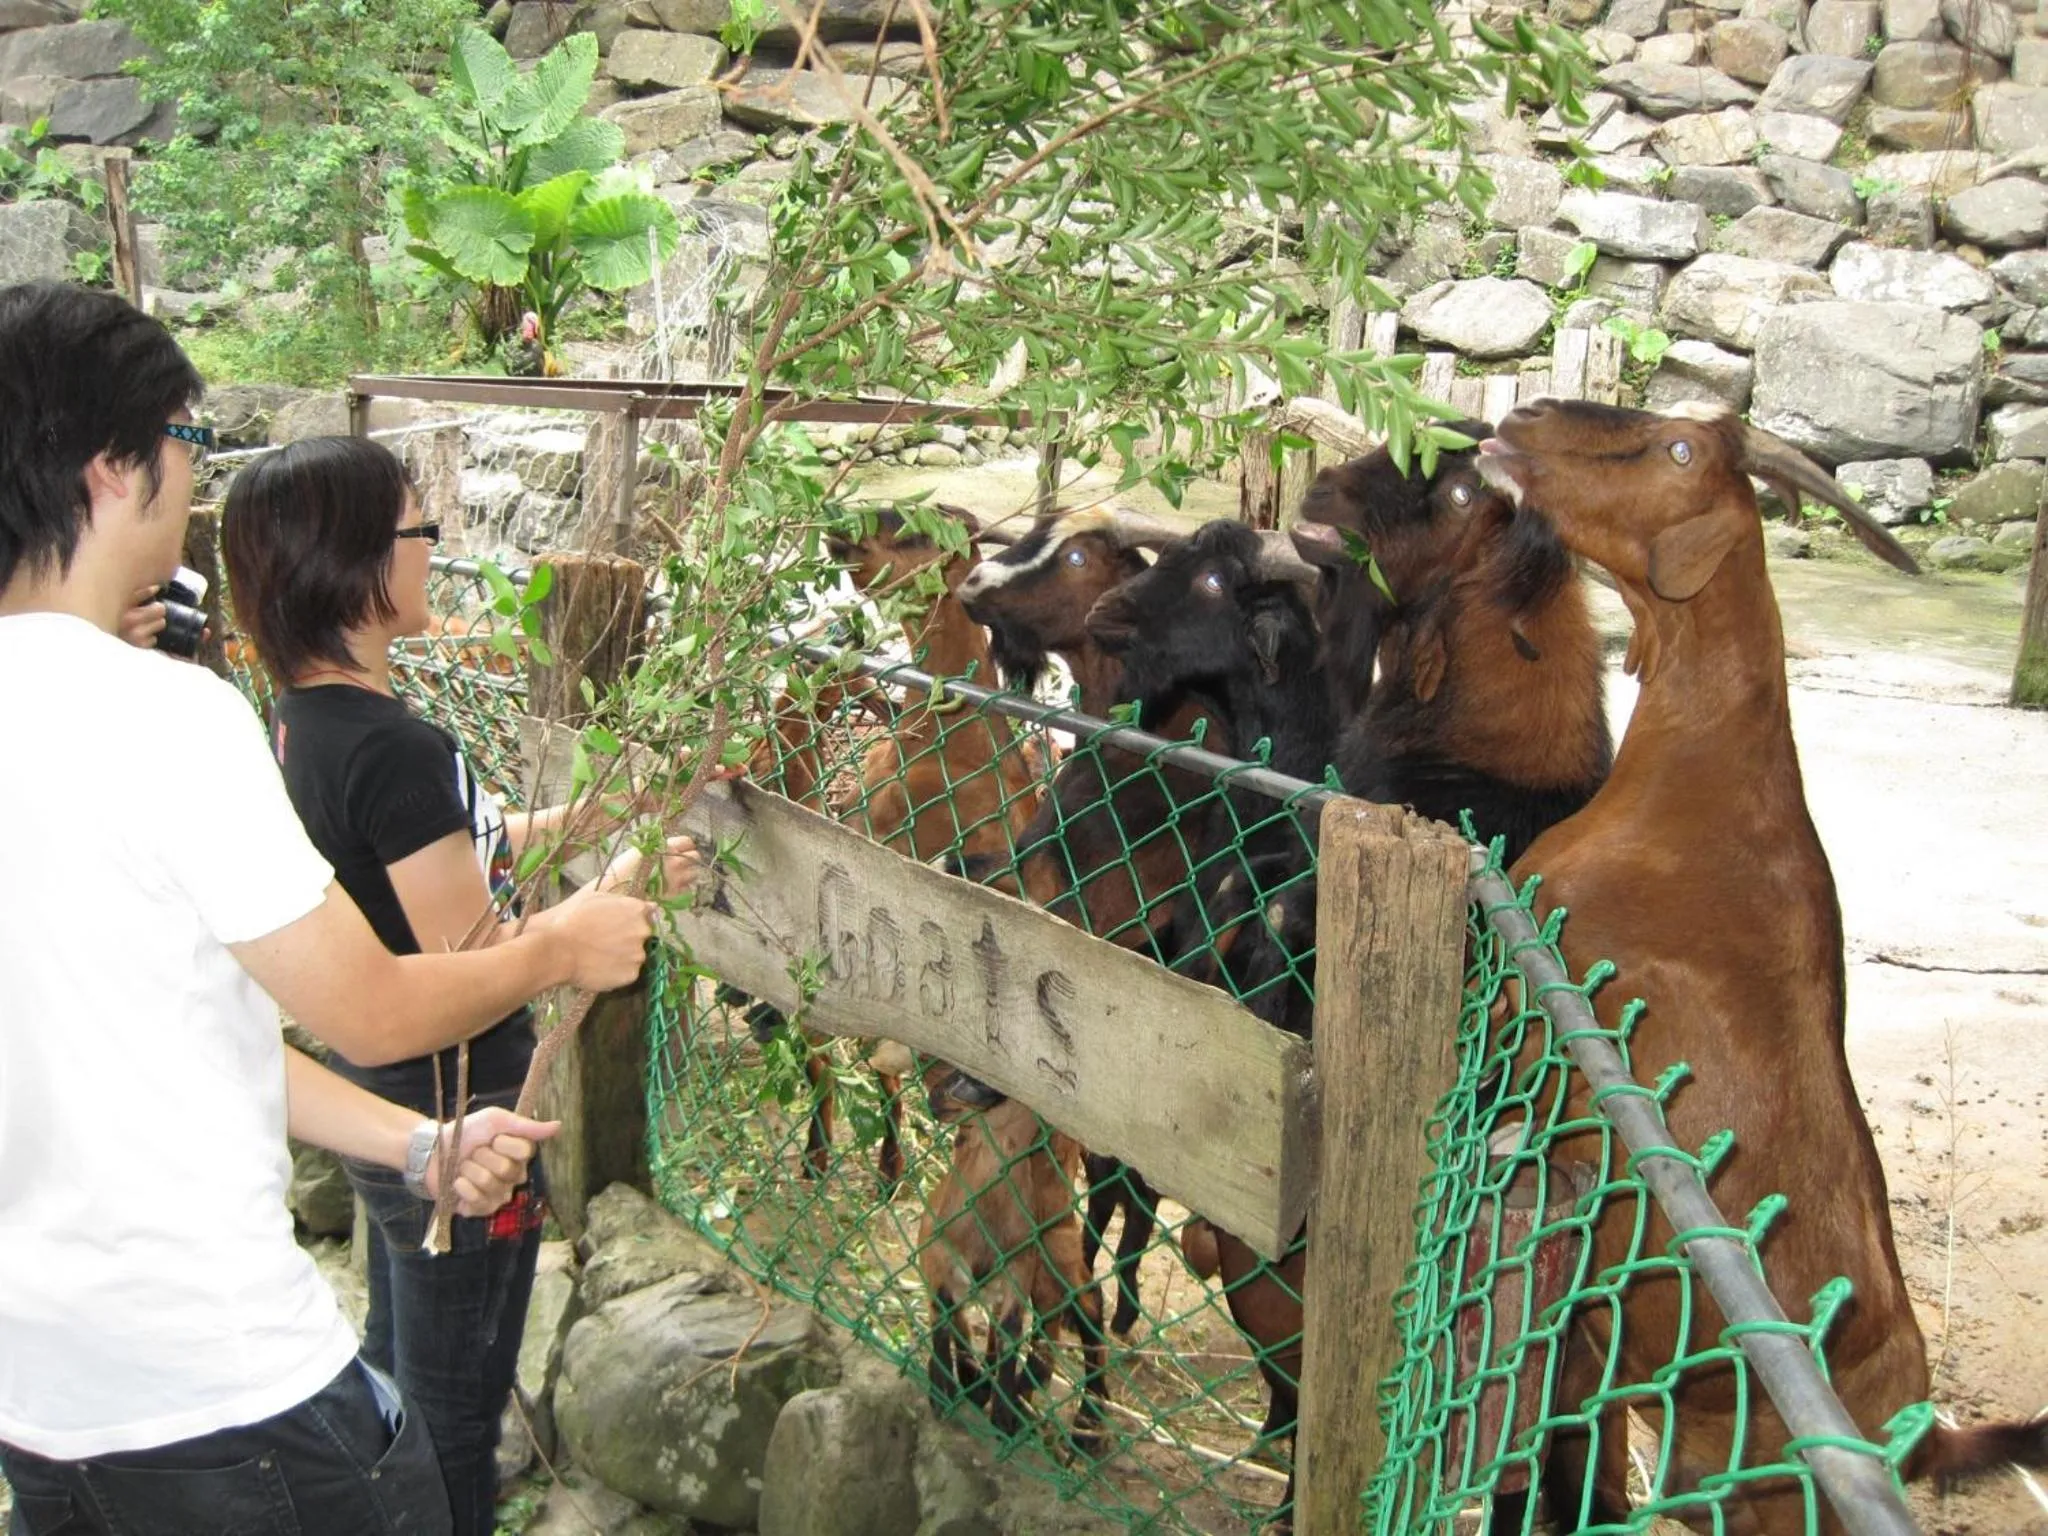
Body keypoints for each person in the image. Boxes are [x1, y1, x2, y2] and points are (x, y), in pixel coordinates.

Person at [0, 281, 674, 1536]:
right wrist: (566, 942)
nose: (192, 483)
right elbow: (367, 999)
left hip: (44, 1402)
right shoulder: (164, 714)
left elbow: (163, 1034)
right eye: (187, 444)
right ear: (111, 468)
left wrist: (416, 1147)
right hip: (221, 1385)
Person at [219, 436, 661, 1535]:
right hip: (460, 1122)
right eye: (421, 531)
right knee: (454, 1416)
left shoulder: (302, 727)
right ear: (355, 566)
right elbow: (472, 959)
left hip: (376, 1099)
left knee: (391, 1356)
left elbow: (418, 850)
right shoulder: (397, 748)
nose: (433, 550)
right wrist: (596, 902)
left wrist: (578, 823)